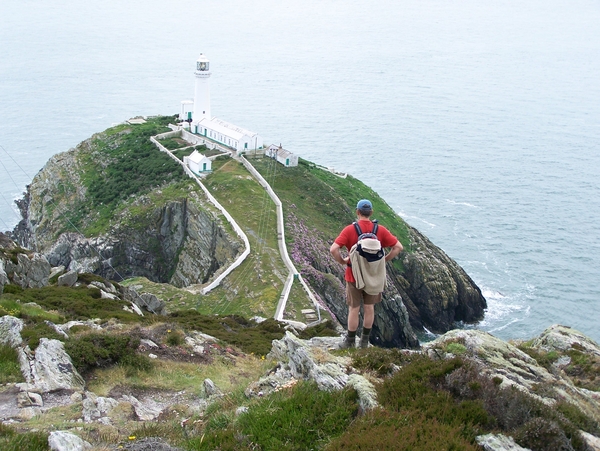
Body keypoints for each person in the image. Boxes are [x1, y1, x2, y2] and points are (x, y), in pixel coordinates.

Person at [330, 199, 403, 348]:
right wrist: (384, 260)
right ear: (371, 213)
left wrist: (343, 261)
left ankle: (349, 342)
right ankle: (364, 342)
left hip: (353, 275)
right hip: (373, 276)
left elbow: (333, 249)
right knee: (370, 308)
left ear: (357, 212)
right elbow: (398, 247)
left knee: (354, 309)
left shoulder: (350, 230)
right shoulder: (380, 230)